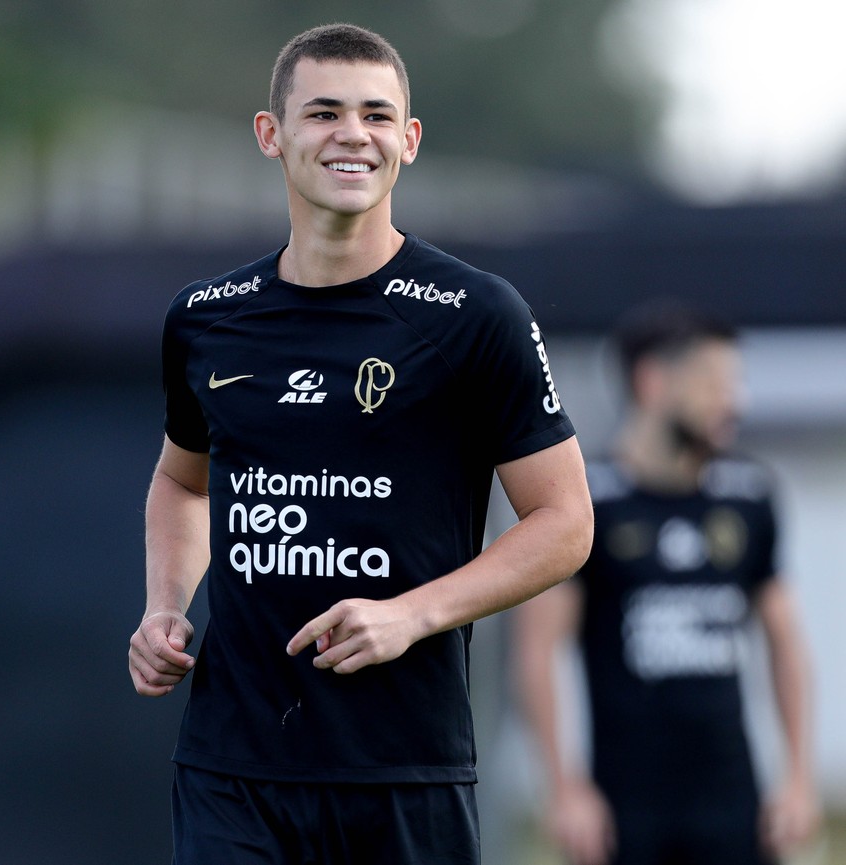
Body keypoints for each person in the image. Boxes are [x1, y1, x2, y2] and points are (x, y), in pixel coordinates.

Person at [126, 22, 594, 865]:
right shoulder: (204, 317)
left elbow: (565, 522)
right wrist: (165, 604)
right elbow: (183, 483)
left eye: (376, 115)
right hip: (233, 768)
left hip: (404, 769)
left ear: (408, 140)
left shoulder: (476, 314)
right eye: (324, 113)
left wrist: (411, 614)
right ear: (272, 134)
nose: (353, 134)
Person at [514, 300, 821, 865]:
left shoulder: (749, 496)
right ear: (652, 382)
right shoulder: (588, 505)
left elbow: (786, 644)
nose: (734, 402)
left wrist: (799, 778)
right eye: (714, 383)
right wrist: (564, 788)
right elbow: (537, 652)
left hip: (733, 802)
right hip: (623, 810)